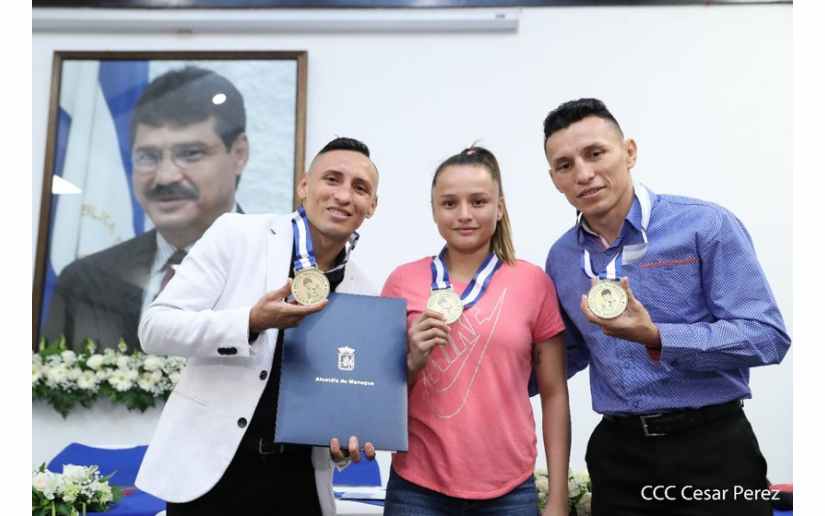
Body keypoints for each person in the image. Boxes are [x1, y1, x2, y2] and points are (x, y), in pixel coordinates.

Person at [542, 98, 791, 516]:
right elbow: (569, 353)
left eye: (595, 153)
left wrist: (658, 337)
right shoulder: (563, 258)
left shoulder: (704, 226)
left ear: (630, 152)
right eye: (565, 165)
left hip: (712, 449)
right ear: (555, 179)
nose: (583, 174)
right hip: (619, 458)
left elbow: (767, 336)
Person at [135, 137, 379, 515]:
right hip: (211, 473)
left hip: (299, 481)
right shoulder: (238, 235)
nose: (344, 195)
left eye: (360, 188)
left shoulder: (364, 292)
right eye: (332, 179)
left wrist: (345, 443)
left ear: (372, 206)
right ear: (304, 186)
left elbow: (344, 395)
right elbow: (155, 329)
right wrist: (250, 322)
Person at [381, 146, 571, 516]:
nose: (464, 214)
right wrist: (412, 361)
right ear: (434, 210)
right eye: (449, 203)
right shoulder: (402, 281)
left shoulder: (534, 283)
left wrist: (558, 496)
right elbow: (378, 389)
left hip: (510, 489)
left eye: (479, 201)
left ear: (499, 208)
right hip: (418, 487)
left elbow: (553, 392)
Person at [42, 65, 249, 351]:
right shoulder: (83, 281)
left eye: (190, 154)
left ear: (238, 154)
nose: (165, 177)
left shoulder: (277, 270)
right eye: (147, 157)